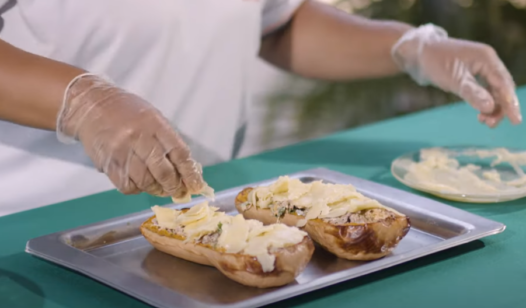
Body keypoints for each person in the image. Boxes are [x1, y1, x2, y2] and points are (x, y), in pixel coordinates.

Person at [0, 0, 521, 217]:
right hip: (34, 219)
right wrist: (83, 103)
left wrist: (409, 47)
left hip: (198, 205)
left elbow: (277, 21)